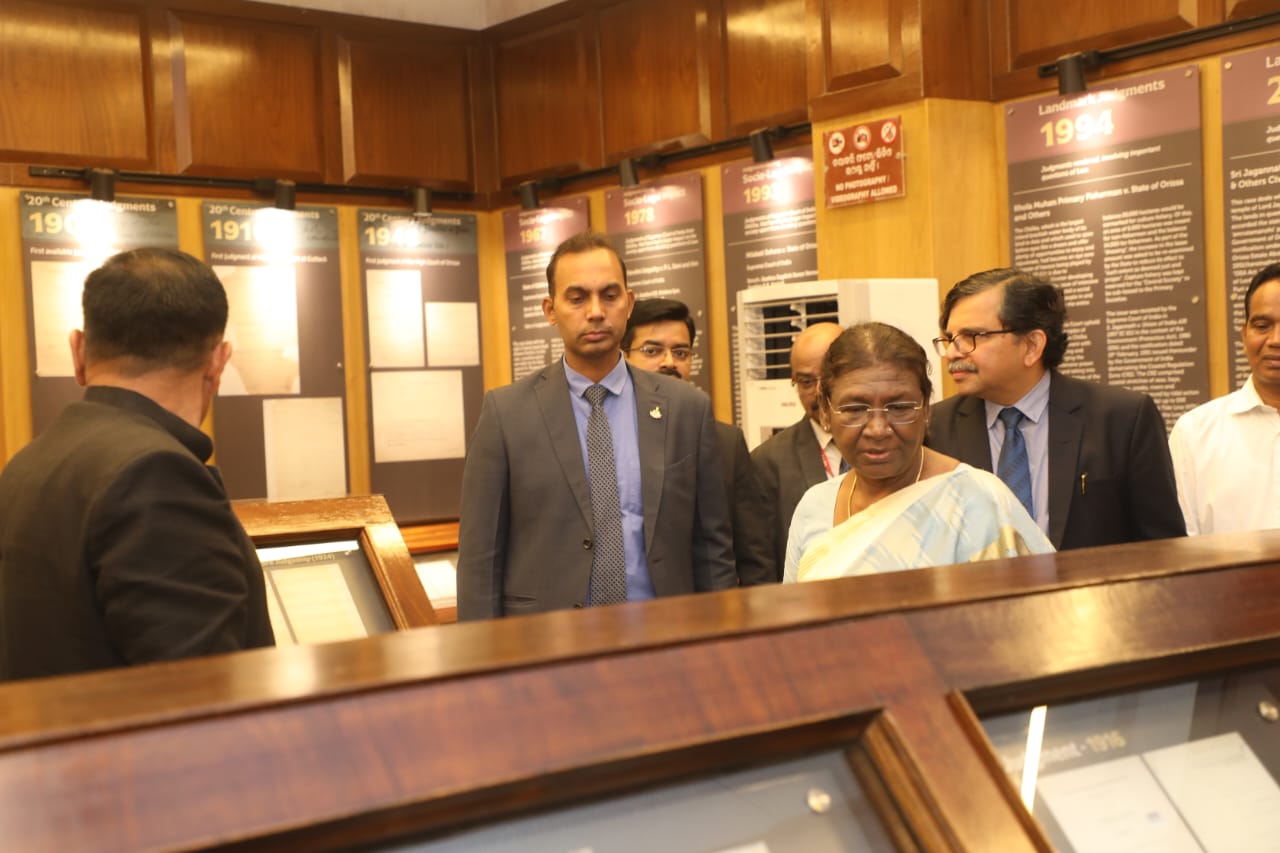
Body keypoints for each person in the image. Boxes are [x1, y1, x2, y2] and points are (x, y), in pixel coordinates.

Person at [0, 249, 274, 682]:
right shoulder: (158, 474)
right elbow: (200, 693)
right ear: (218, 363)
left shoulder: (27, 464)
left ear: (78, 352)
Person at [457, 232, 735, 619]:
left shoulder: (686, 409)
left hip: (665, 633)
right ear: (550, 310)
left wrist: (721, 638)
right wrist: (482, 652)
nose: (595, 311)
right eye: (577, 298)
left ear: (629, 303)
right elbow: (480, 560)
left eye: (609, 295)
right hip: (546, 639)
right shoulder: (506, 415)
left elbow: (712, 549)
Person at [927, 268, 1185, 550]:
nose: (952, 353)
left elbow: (1162, 548)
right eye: (950, 338)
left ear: (1031, 345)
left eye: (972, 336)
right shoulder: (934, 427)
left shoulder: (1122, 419)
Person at [785, 322, 1051, 583]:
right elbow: (795, 609)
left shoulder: (977, 500)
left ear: (925, 410)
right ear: (825, 413)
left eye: (899, 407)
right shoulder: (815, 507)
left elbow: (1040, 604)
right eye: (855, 409)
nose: (878, 429)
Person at [622, 298, 775, 584]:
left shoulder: (726, 443)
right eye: (652, 351)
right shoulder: (608, 436)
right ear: (624, 356)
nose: (669, 362)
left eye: (680, 352)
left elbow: (755, 558)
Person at [1169, 263, 1280, 534]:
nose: (1276, 339)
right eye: (1262, 326)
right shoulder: (1194, 433)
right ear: (1245, 334)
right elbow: (1179, 545)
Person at [750, 322, 844, 578]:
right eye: (806, 382)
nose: (819, 391)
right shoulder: (767, 462)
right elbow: (761, 568)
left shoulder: (885, 445)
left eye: (830, 375)